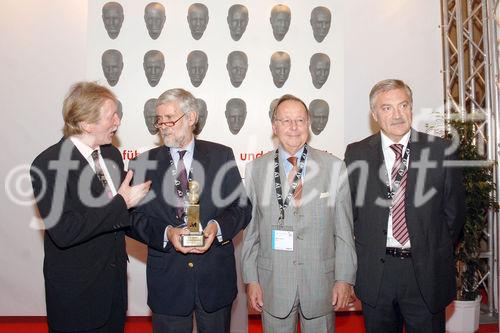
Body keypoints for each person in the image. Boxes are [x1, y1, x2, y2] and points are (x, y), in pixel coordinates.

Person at [344, 79, 465, 333]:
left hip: (425, 273)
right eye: (387, 108)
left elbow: (454, 214)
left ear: (412, 108)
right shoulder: (357, 153)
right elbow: (351, 213)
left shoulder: (440, 151)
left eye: (403, 105)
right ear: (374, 114)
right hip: (377, 272)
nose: (398, 114)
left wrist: (430, 246)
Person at [30, 82, 151, 333]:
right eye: (111, 116)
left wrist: (165, 232)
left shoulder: (112, 156)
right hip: (77, 296)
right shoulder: (47, 164)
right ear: (86, 123)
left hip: (114, 291)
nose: (118, 121)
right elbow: (64, 231)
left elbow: (119, 218)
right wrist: (122, 202)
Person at [129, 88, 252, 333]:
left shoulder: (221, 155)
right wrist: (167, 233)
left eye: (170, 119)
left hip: (215, 280)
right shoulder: (143, 163)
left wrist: (217, 228)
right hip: (168, 283)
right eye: (159, 120)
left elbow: (241, 207)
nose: (163, 126)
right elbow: (131, 218)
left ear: (191, 118)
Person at [242, 94, 356, 333]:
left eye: (300, 120)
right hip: (273, 284)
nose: (293, 127)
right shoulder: (256, 170)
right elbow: (251, 232)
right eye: (286, 121)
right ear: (274, 126)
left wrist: (344, 279)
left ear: (309, 124)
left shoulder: (334, 167)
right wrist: (251, 280)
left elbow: (344, 231)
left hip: (320, 284)